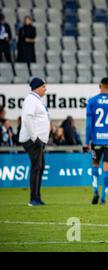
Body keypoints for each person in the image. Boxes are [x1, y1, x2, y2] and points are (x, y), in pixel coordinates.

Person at [83, 77, 108, 205]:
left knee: (95, 164)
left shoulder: (92, 101)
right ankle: (103, 196)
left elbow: (89, 124)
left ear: (100, 86)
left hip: (96, 140)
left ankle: (95, 189)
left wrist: (86, 142)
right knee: (107, 167)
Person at [19, 78, 50, 206]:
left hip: (38, 140)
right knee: (36, 168)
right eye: (43, 86)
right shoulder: (31, 100)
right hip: (33, 140)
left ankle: (37, 196)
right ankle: (34, 198)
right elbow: (28, 118)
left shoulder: (36, 100)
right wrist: (35, 138)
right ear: (37, 87)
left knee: (40, 167)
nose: (45, 89)